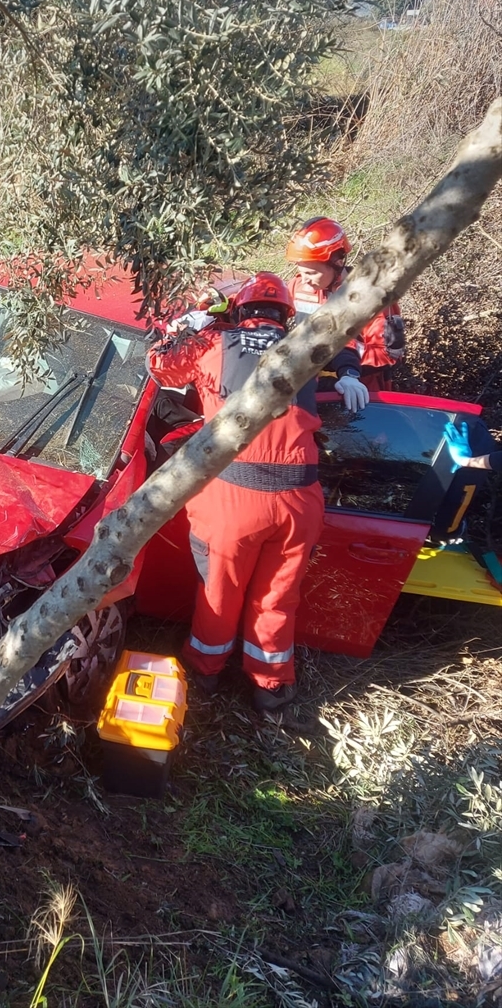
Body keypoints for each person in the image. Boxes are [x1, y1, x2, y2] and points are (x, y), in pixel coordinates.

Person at [147, 272, 366, 713]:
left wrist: (189, 323)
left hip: (231, 496)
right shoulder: (306, 346)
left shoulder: (212, 344)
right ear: (286, 315)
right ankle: (271, 687)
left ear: (238, 311)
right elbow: (349, 339)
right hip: (300, 500)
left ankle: (204, 672)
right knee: (279, 596)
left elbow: (157, 365)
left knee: (219, 591)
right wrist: (347, 374)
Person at [285, 216, 405, 392]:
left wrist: (341, 366)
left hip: (362, 389)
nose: (305, 280)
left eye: (311, 273)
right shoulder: (297, 287)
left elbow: (388, 355)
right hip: (310, 386)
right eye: (301, 272)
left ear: (338, 263)